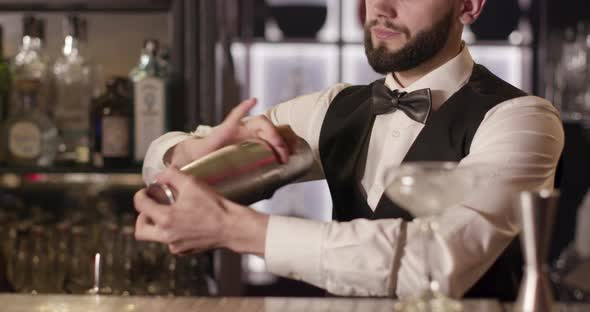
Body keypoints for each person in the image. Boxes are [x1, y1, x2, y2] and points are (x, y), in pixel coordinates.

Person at [133, 0, 564, 299]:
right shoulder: (333, 109)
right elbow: (161, 163)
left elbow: (437, 261)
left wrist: (238, 230)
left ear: (468, 6)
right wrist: (194, 155)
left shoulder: (523, 119)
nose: (380, 9)